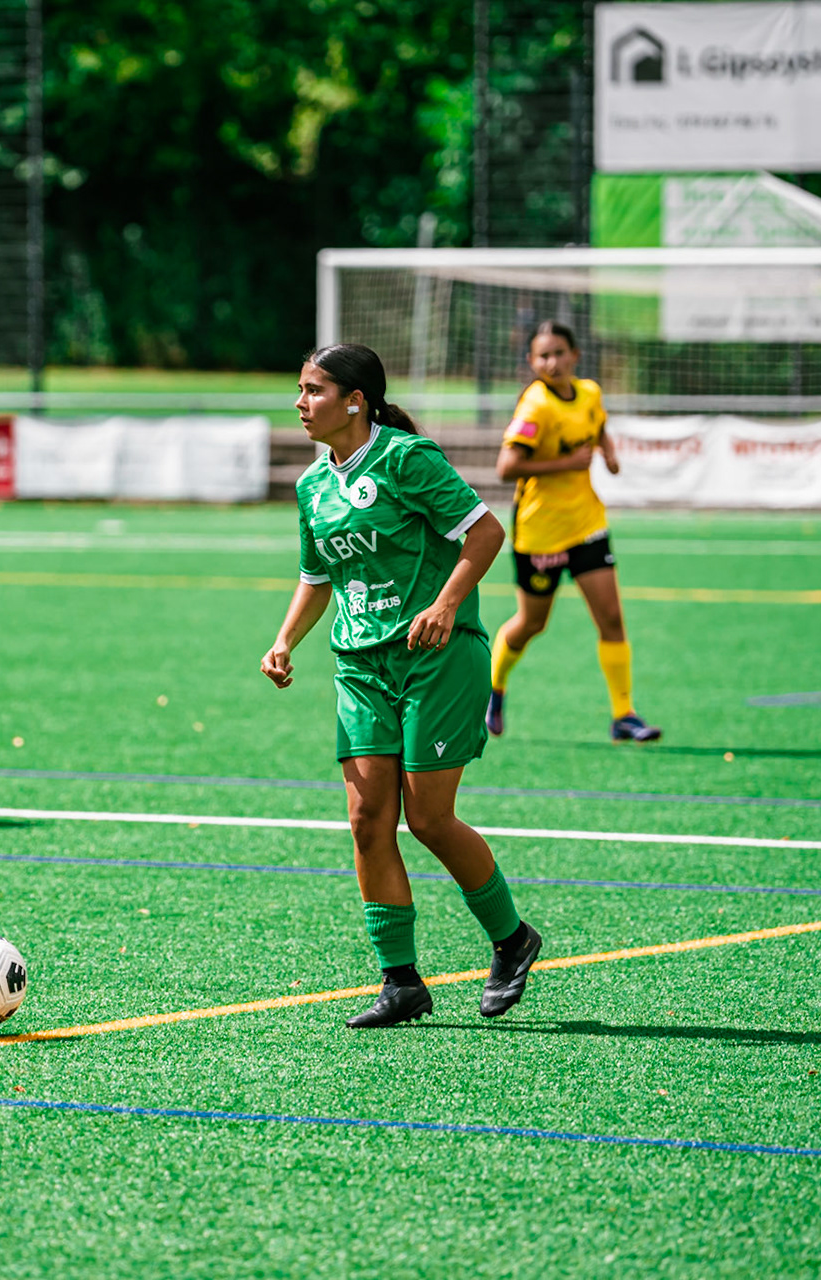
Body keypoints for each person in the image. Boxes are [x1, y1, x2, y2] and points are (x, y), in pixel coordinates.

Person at [261, 343, 542, 1029]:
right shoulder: (312, 487)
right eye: (300, 389)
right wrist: (284, 640)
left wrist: (445, 605)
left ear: (355, 401)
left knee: (429, 818)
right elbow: (317, 578)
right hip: (360, 666)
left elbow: (485, 532)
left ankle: (511, 939)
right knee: (366, 821)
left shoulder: (406, 459)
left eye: (314, 390)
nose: (300, 403)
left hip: (435, 659)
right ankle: (401, 981)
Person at [488, 321, 660, 744]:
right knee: (532, 624)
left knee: (611, 619)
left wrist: (609, 453)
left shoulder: (590, 393)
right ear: (531, 362)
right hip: (540, 531)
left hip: (586, 524)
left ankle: (623, 715)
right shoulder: (535, 406)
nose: (552, 362)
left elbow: (597, 427)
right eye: (543, 356)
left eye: (559, 353)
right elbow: (506, 468)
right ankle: (494, 688)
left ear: (575, 355)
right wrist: (567, 463)